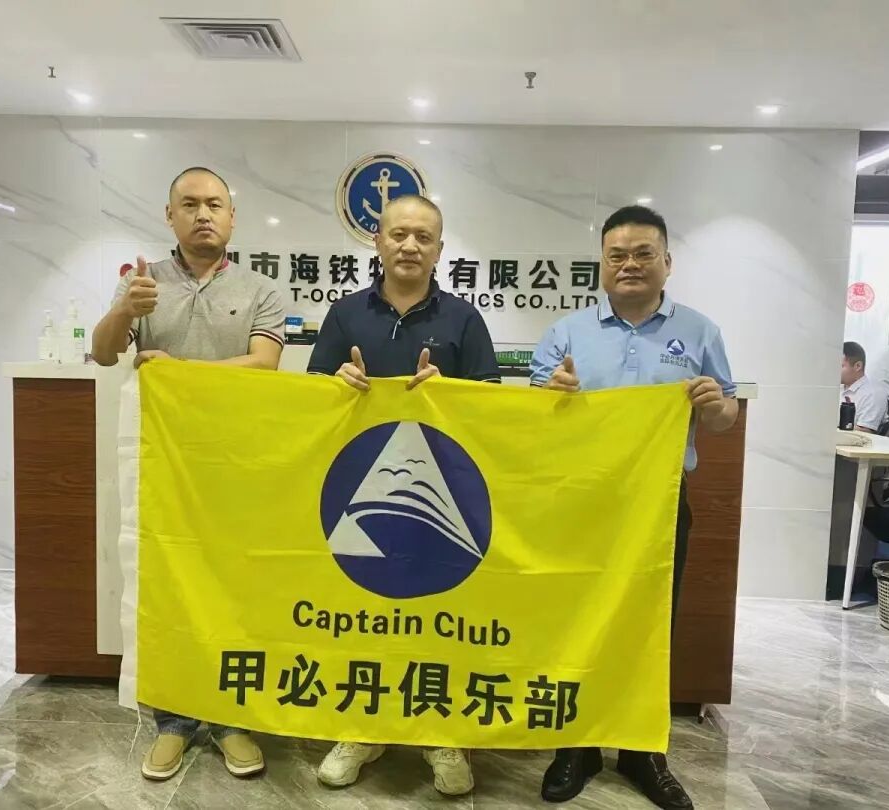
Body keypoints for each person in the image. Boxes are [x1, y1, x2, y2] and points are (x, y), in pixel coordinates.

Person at [530, 205, 738, 810]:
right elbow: (535, 416)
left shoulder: (700, 332)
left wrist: (714, 405)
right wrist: (552, 395)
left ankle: (644, 752)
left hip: (662, 503)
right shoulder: (567, 333)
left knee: (652, 626)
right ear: (601, 264)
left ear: (666, 262)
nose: (630, 264)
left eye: (643, 253)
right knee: (580, 621)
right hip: (583, 503)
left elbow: (724, 417)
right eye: (617, 255)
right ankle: (576, 745)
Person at [92, 167, 285, 782]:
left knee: (233, 589)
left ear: (232, 218)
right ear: (170, 215)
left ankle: (230, 717)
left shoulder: (262, 289)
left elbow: (264, 364)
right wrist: (124, 310)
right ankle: (173, 720)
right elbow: (103, 352)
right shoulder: (142, 282)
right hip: (163, 466)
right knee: (168, 588)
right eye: (191, 204)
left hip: (236, 464)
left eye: (215, 205)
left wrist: (177, 370)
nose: (204, 214)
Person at [307, 194, 500, 796]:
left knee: (436, 620)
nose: (410, 246)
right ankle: (362, 729)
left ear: (440, 249)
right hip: (358, 495)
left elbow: (493, 406)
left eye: (423, 237)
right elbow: (307, 397)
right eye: (398, 235)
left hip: (442, 500)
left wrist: (453, 392)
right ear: (377, 241)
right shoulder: (345, 314)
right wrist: (334, 383)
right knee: (364, 615)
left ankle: (441, 734)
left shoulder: (464, 320)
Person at [840, 341, 886, 432]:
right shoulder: (835, 388)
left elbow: (864, 431)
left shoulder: (874, 394)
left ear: (858, 366)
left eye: (841, 366)